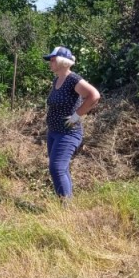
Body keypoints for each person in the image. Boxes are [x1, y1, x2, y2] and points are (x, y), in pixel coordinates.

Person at [42, 46, 101, 198]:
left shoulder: (73, 79)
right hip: (54, 132)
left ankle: (66, 208)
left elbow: (94, 95)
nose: (50, 63)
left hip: (68, 133)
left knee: (57, 168)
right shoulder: (57, 80)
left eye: (52, 60)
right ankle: (66, 201)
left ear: (62, 61)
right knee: (61, 169)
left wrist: (77, 116)